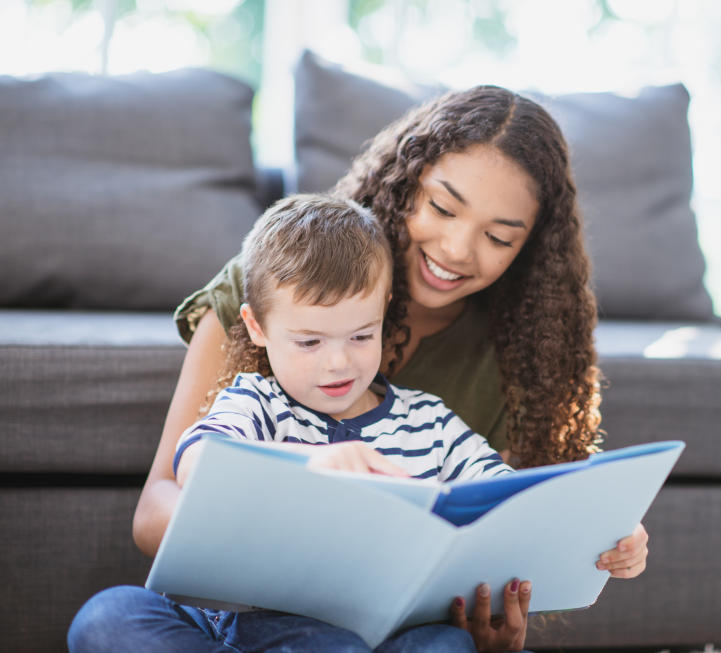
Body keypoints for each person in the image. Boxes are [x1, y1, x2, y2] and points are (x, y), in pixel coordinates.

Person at [133, 85, 649, 652]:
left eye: (498, 237)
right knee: (113, 619)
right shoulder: (281, 281)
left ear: (529, 248)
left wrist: (596, 529)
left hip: (386, 630)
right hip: (258, 612)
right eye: (442, 208)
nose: (456, 248)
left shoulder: (480, 377)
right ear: (404, 186)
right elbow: (164, 500)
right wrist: (285, 510)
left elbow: (507, 509)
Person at [69, 195, 515, 652]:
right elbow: (198, 460)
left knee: (444, 646)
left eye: (362, 335)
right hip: (245, 622)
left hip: (379, 633)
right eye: (309, 342)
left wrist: (580, 536)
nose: (338, 362)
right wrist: (311, 462)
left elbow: (508, 496)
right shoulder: (255, 402)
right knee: (107, 619)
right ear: (258, 327)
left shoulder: (431, 422)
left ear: (385, 309)